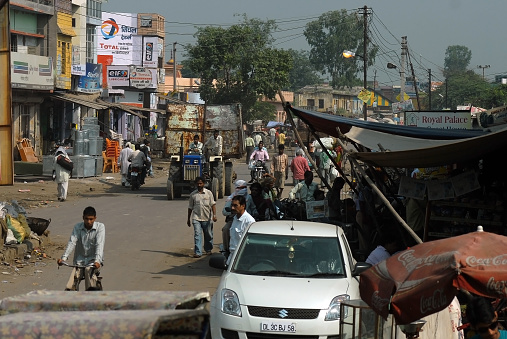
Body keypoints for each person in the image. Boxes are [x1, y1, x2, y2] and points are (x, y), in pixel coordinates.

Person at [57, 206, 105, 291]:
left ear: (95, 218)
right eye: (86, 219)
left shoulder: (100, 227)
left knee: (90, 283)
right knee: (71, 284)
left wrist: (97, 261)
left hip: (93, 262)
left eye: (91, 219)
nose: (88, 222)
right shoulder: (78, 227)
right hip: (79, 261)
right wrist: (63, 258)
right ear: (83, 218)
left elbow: (99, 245)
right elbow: (72, 242)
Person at [221, 180, 256, 257]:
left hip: (242, 253)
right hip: (233, 218)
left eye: (243, 187)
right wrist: (233, 212)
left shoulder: (249, 197)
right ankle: (226, 249)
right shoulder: (232, 198)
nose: (242, 189)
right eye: (239, 188)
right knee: (226, 229)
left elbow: (253, 208)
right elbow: (224, 211)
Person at [187, 176, 217, 258]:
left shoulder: (209, 193)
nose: (199, 185)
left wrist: (214, 215)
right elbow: (190, 207)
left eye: (201, 183)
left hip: (207, 218)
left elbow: (213, 205)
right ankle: (198, 252)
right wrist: (188, 219)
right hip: (196, 218)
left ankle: (208, 249)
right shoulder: (193, 195)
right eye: (198, 184)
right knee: (197, 234)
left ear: (204, 184)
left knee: (208, 235)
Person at [227, 195, 256, 264]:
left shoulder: (249, 221)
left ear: (243, 206)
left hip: (242, 258)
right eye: (232, 205)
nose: (232, 208)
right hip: (232, 255)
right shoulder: (235, 218)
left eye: (235, 205)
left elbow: (251, 242)